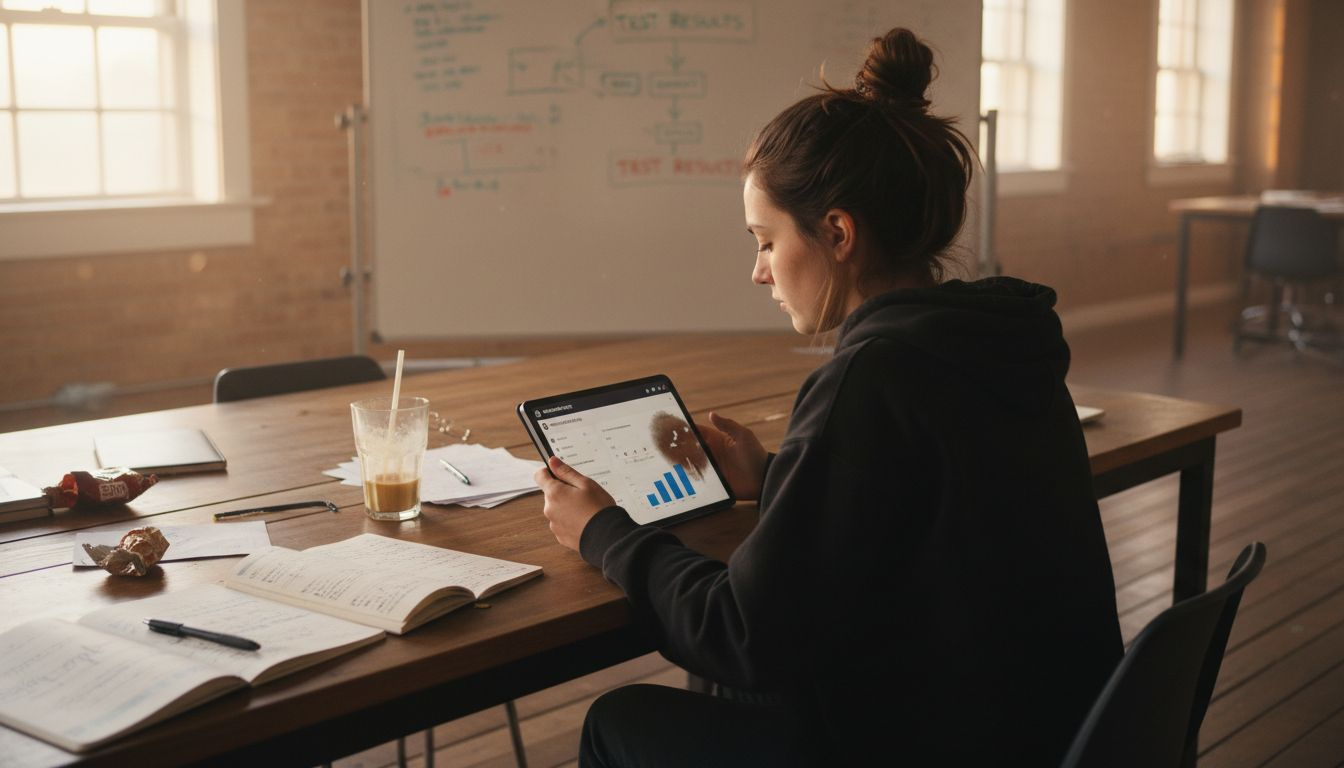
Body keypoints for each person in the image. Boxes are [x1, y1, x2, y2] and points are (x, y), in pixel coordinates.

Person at [535, 26, 1123, 767]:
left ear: (839, 233)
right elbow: (929, 506)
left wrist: (604, 533)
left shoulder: (872, 377)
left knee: (621, 720)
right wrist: (776, 475)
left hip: (931, 743)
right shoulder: (1000, 342)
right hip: (1040, 729)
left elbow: (742, 636)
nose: (759, 271)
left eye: (765, 240)